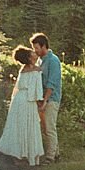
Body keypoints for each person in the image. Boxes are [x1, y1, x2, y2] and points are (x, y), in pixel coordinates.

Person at [0, 44, 45, 166]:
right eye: (32, 52)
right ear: (29, 57)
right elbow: (37, 90)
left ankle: (19, 154)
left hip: (19, 100)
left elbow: (19, 87)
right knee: (30, 126)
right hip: (28, 101)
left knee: (19, 126)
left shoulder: (23, 69)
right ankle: (29, 156)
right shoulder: (36, 70)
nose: (34, 53)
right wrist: (40, 103)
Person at [30, 32, 62, 163]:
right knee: (46, 127)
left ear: (44, 46)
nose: (34, 50)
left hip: (51, 98)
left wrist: (45, 101)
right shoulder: (40, 60)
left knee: (49, 127)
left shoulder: (53, 60)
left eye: (36, 47)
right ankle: (56, 153)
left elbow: (51, 83)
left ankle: (50, 157)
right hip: (42, 99)